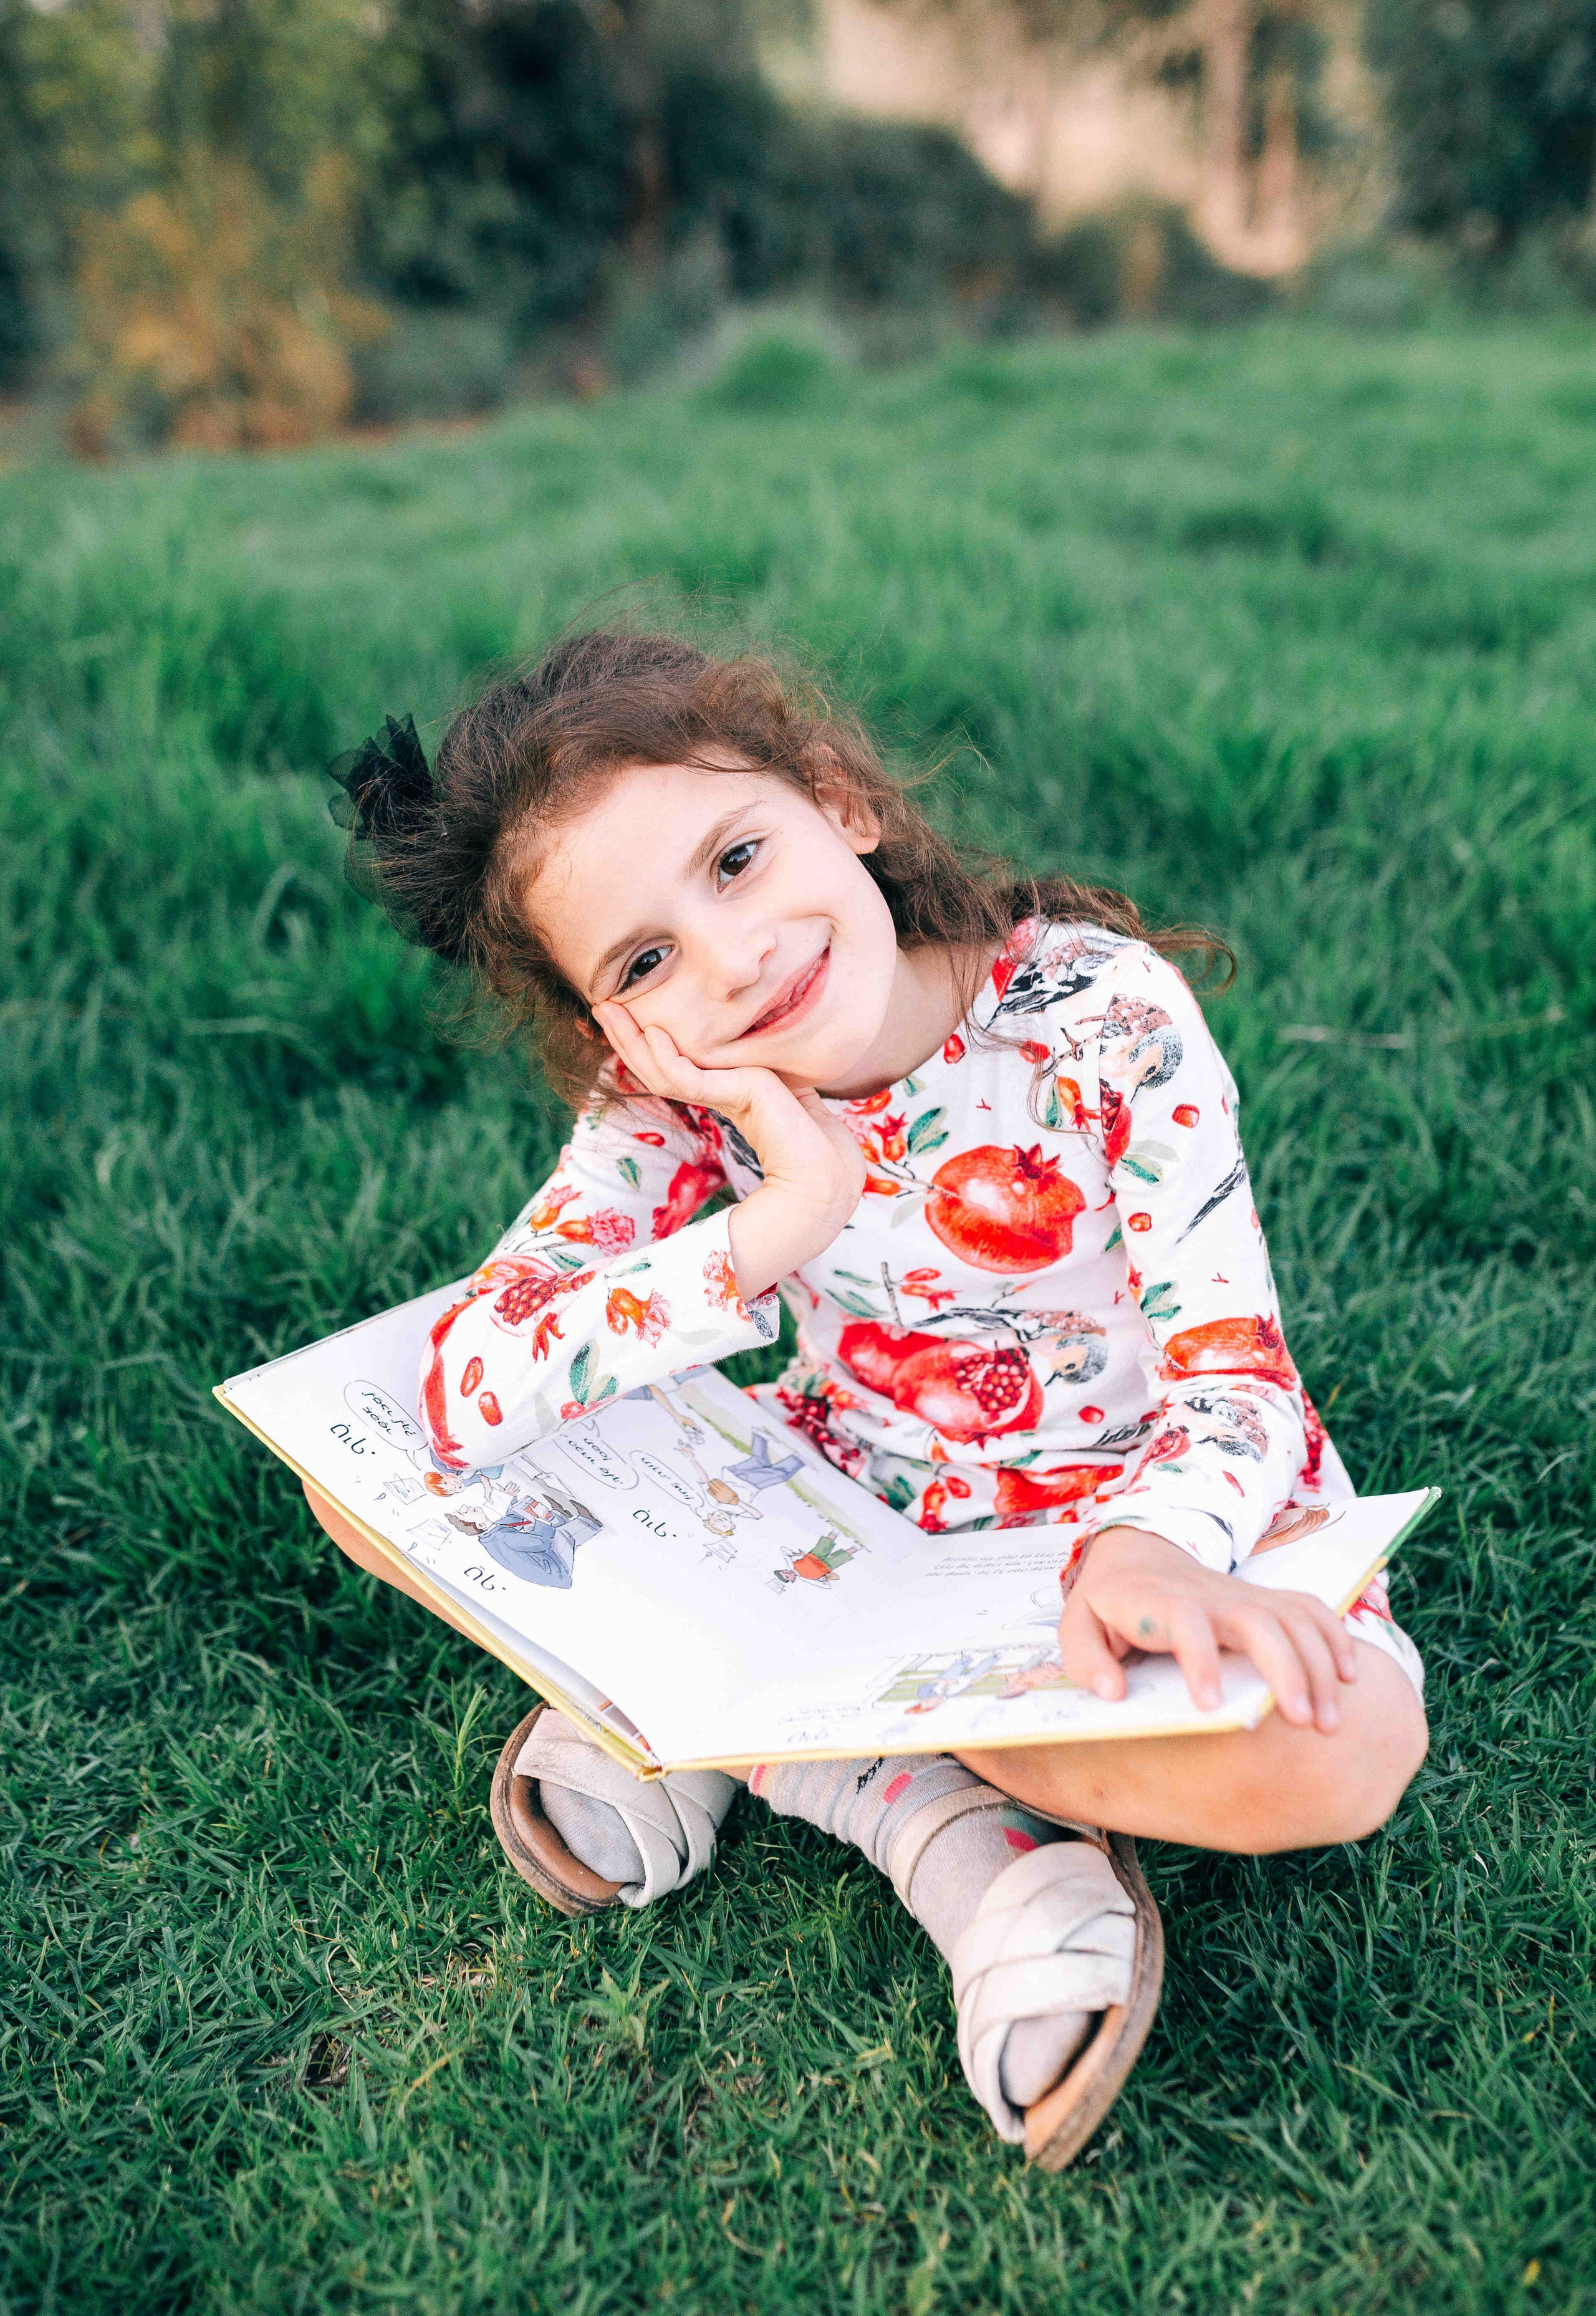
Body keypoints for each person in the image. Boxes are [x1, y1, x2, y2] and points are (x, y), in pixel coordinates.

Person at [307, 629, 1427, 2168]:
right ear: (606, 1026)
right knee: (358, 1474)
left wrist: (1155, 1550)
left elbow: (1232, 1370)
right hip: (850, 1524)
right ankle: (940, 1825)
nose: (732, 958)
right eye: (643, 963)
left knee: (1339, 1752)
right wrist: (770, 1226)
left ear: (840, 801)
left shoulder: (1098, 1013)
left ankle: (729, 1731)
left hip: (1133, 1524)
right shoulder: (670, 1103)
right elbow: (461, 1384)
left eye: (736, 859)